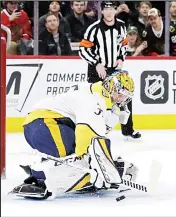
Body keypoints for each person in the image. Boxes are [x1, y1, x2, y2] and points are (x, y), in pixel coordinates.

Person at [9, 71, 138, 199]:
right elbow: (90, 138)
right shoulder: (95, 100)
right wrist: (104, 172)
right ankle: (41, 178)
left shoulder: (94, 92)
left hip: (39, 126)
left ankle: (42, 171)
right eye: (121, 94)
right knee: (77, 162)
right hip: (46, 124)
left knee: (73, 158)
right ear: (111, 88)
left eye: (127, 96)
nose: (123, 99)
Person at [79, 1, 141, 140]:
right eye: (106, 9)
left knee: (125, 95)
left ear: (115, 10)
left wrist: (121, 58)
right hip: (97, 70)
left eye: (111, 8)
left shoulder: (121, 26)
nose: (108, 12)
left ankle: (128, 130)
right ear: (101, 11)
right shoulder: (93, 29)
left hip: (114, 70)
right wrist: (96, 63)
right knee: (97, 102)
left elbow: (123, 45)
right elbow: (83, 49)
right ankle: (96, 131)